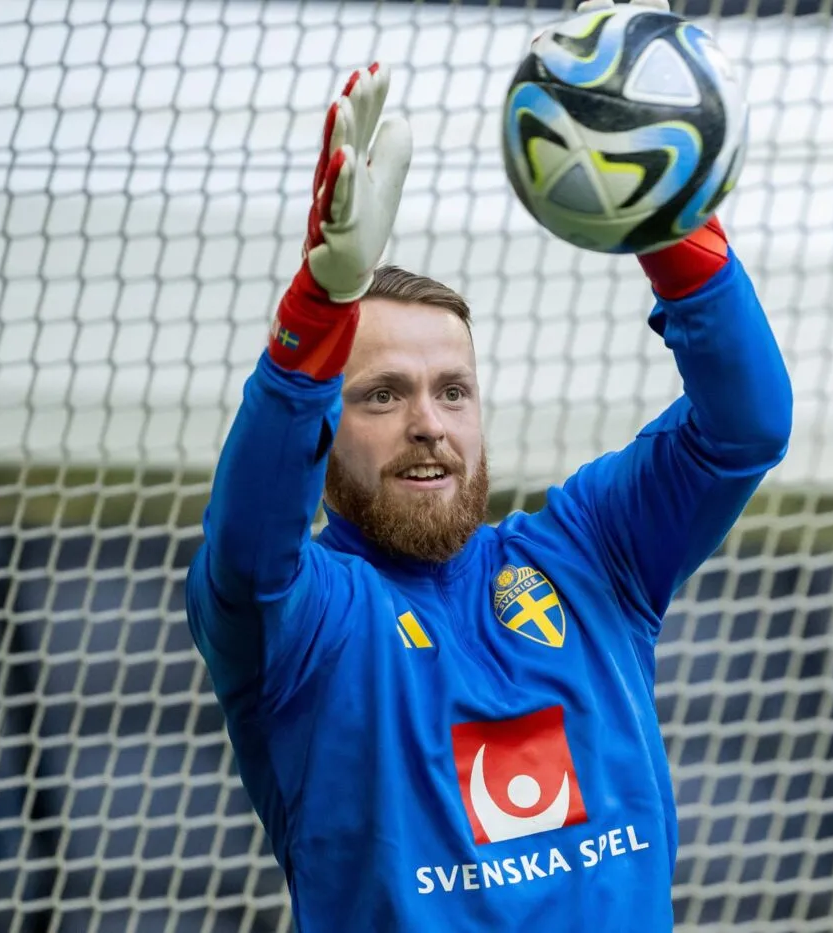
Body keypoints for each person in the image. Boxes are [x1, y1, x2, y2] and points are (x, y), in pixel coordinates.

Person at [185, 12, 793, 931]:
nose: (428, 423)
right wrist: (317, 312)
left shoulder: (592, 556)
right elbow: (247, 551)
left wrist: (660, 209)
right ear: (324, 429)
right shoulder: (311, 620)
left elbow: (745, 427)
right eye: (383, 395)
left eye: (453, 391)